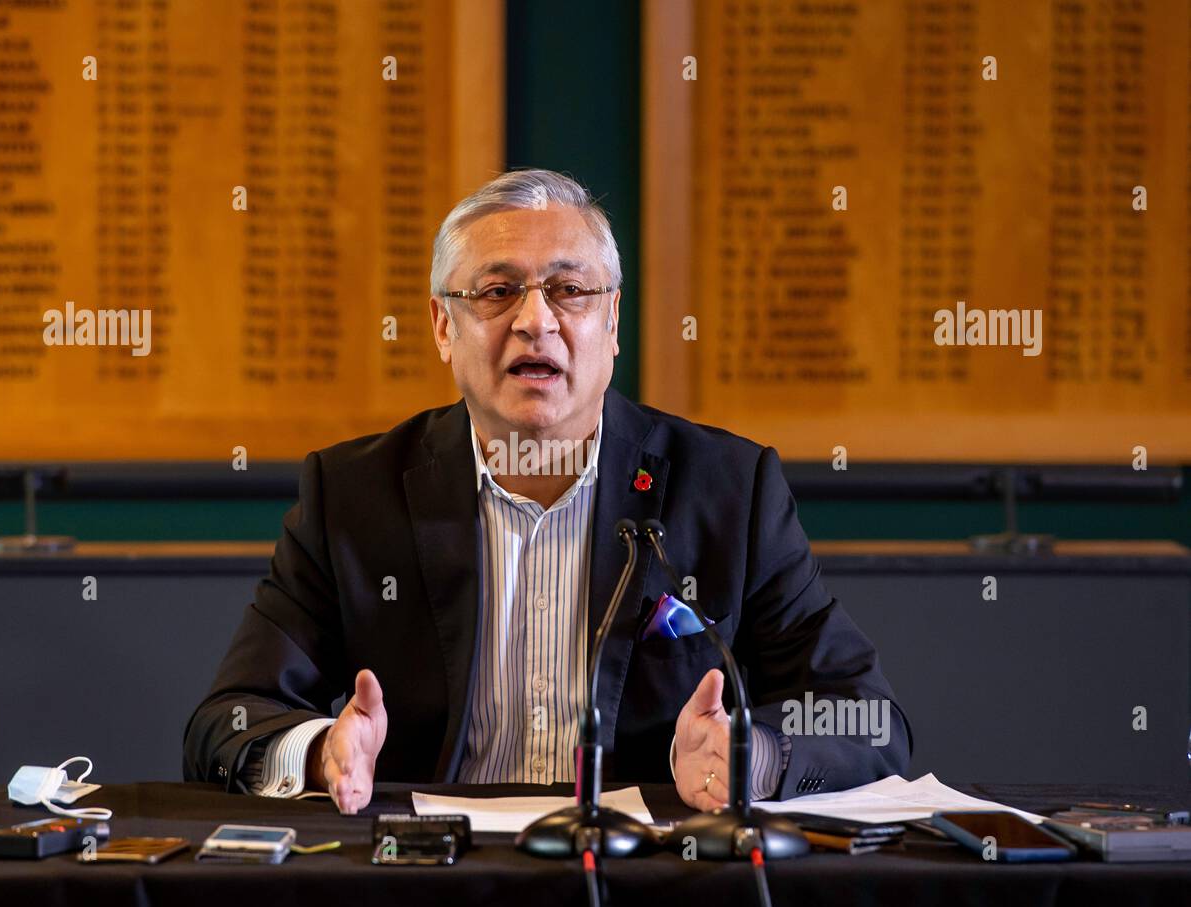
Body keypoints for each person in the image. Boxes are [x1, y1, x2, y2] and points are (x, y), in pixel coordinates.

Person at [183, 168, 912, 814]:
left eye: (569, 290)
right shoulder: (353, 493)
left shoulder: (728, 490)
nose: (536, 321)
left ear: (613, 320)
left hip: (650, 883)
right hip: (431, 887)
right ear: (443, 326)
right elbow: (228, 718)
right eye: (498, 292)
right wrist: (319, 751)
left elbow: (866, 716)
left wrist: (757, 756)